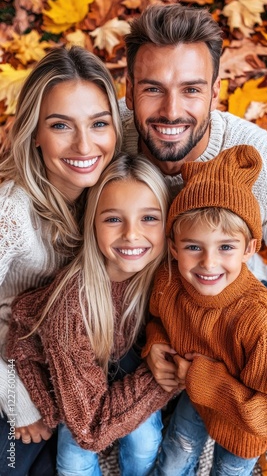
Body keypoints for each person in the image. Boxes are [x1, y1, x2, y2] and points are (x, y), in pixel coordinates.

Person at [7, 153, 175, 476]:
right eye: (113, 219)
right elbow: (89, 429)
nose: (131, 234)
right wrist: (162, 379)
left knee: (143, 441)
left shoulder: (167, 277)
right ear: (93, 223)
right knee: (69, 459)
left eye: (149, 218)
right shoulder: (71, 307)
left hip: (112, 364)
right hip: (62, 377)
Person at [0, 45, 122, 476]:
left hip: (70, 358)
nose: (85, 144)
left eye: (98, 124)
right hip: (11, 360)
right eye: (60, 126)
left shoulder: (113, 192)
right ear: (34, 132)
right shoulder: (11, 214)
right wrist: (16, 399)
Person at [120, 3, 267, 299]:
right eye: (153, 89)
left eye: (191, 90)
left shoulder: (264, 159)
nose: (171, 112)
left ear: (215, 92)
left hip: (235, 302)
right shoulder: (99, 137)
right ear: (129, 91)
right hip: (136, 305)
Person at [142, 145, 267, 475]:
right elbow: (159, 317)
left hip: (244, 425)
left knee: (228, 470)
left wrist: (208, 382)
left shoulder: (260, 319)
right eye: (193, 247)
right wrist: (154, 342)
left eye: (226, 247)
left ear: (249, 248)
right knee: (176, 453)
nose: (208, 263)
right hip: (195, 393)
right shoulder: (169, 279)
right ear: (173, 247)